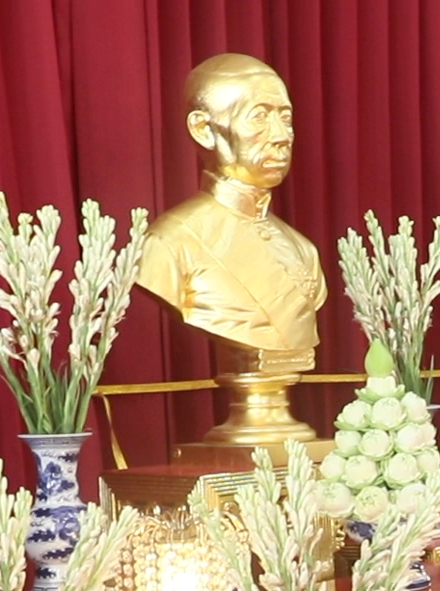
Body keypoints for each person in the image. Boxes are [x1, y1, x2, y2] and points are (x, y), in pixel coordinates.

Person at [137, 53, 327, 444]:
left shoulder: (303, 250)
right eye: (259, 116)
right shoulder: (171, 243)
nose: (281, 135)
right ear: (204, 129)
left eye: (285, 117)